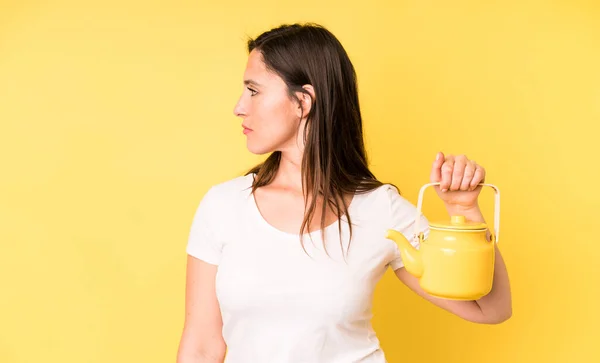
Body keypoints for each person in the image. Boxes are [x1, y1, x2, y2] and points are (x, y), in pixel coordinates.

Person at [176, 23, 512, 363]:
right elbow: (202, 347)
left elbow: (490, 307)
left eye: (253, 90)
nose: (239, 107)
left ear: (302, 102)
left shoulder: (381, 210)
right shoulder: (224, 205)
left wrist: (466, 211)